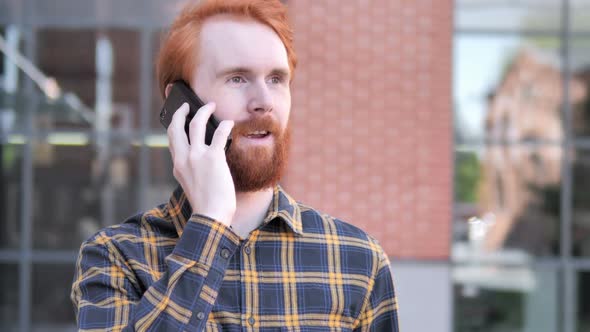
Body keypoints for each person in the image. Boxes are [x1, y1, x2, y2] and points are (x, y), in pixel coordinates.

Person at [71, 0, 400, 330]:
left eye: (276, 79)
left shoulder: (359, 262)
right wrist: (210, 222)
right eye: (237, 79)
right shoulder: (115, 257)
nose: (264, 103)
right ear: (180, 103)